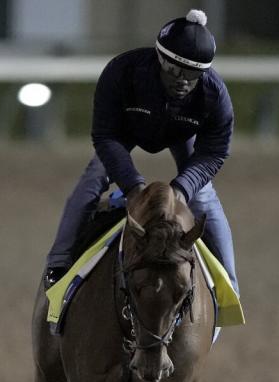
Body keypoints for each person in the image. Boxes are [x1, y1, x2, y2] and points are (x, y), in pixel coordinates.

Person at [43, 9, 239, 295]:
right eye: (174, 69)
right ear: (159, 58)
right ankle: (58, 263)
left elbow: (214, 151)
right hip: (126, 131)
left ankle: (228, 285)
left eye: (193, 73)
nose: (183, 80)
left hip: (181, 133)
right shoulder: (123, 72)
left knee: (204, 196)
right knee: (94, 176)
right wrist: (133, 186)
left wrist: (183, 189)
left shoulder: (215, 93)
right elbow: (105, 135)